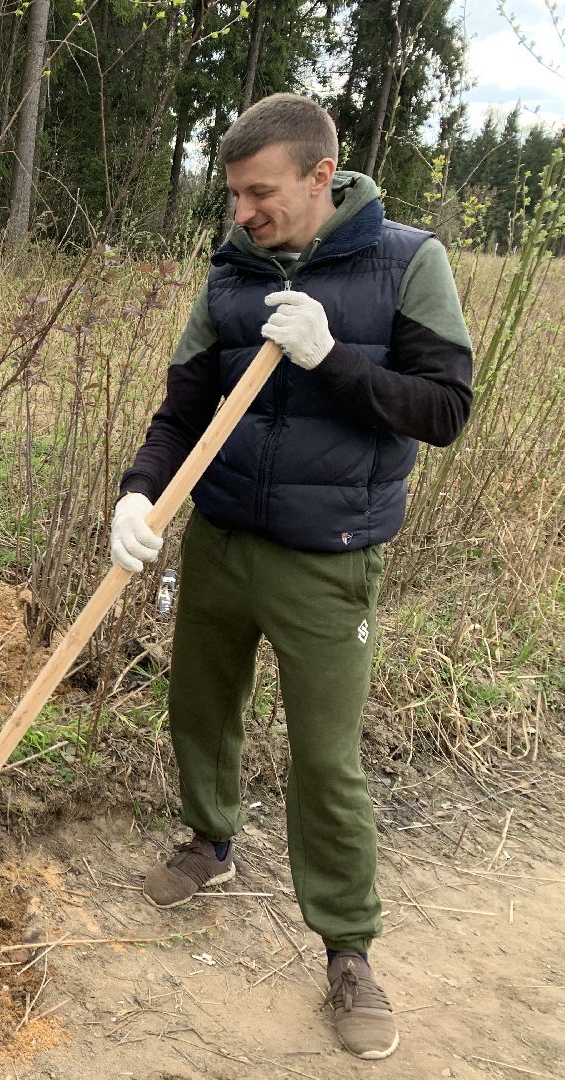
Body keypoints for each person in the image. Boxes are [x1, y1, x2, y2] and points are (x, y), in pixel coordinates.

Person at [109, 93, 472, 1060]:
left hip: (329, 560)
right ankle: (207, 842)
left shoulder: (407, 261)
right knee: (200, 705)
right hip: (221, 540)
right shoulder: (230, 271)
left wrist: (335, 360)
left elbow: (443, 409)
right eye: (233, 195)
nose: (242, 214)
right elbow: (181, 405)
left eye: (259, 194)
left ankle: (349, 948)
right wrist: (139, 494)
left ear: (322, 176)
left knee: (326, 758)